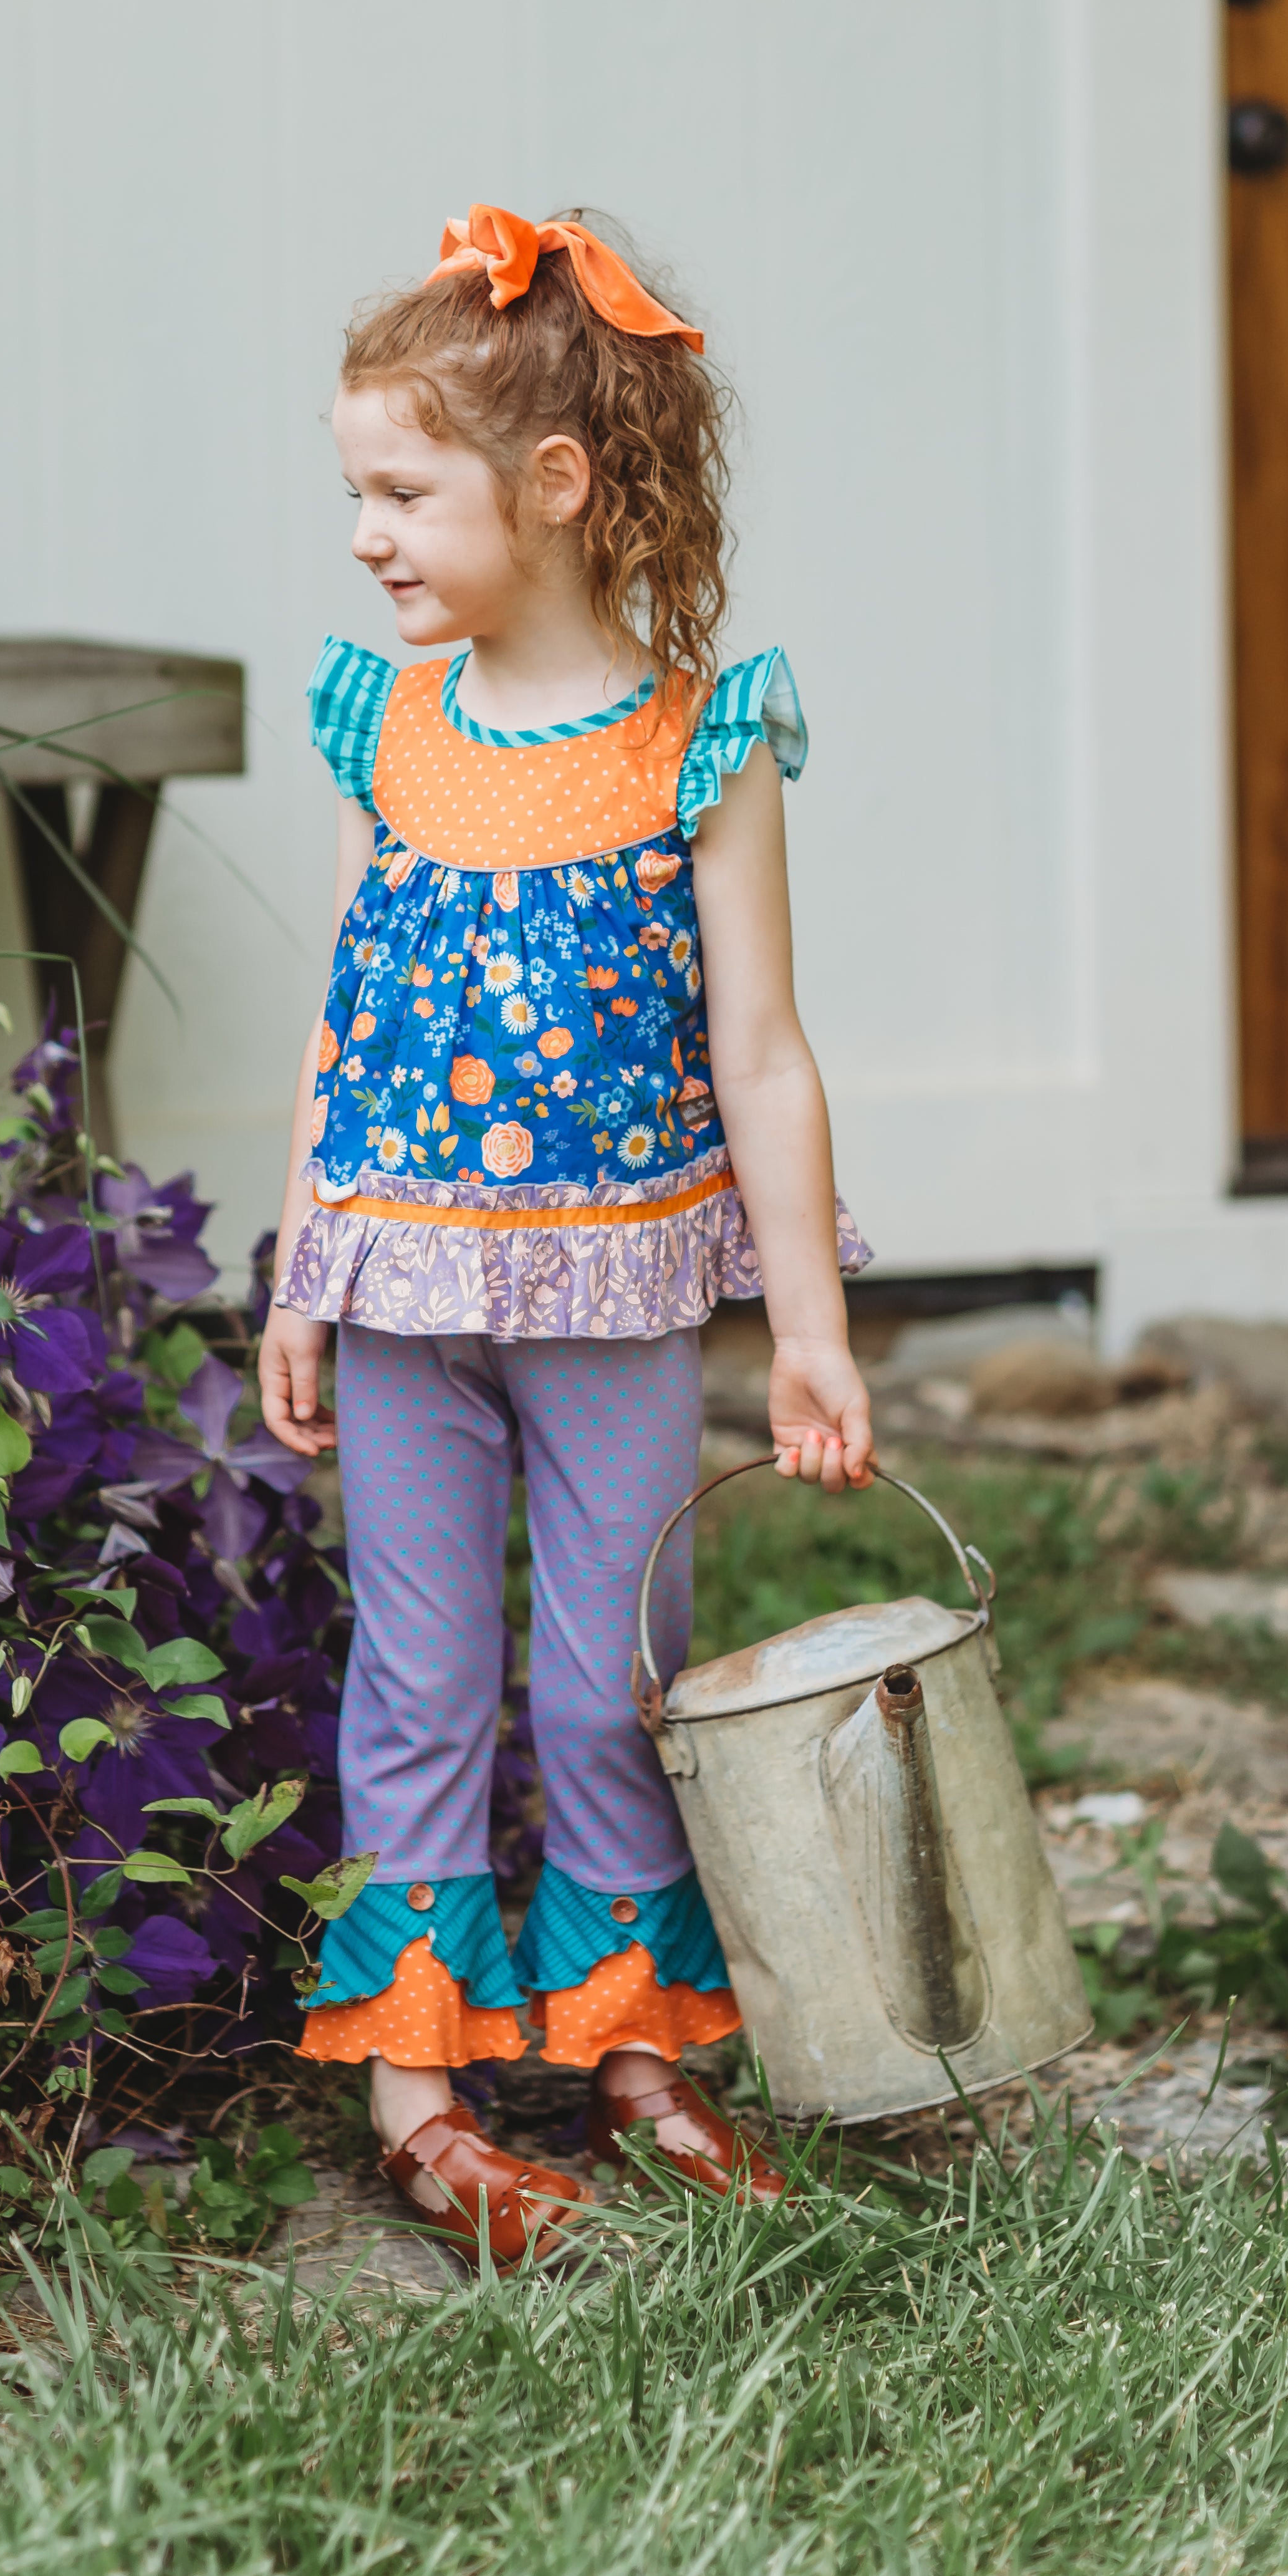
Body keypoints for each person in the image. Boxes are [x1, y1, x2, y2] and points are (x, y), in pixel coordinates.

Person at [258, 203, 876, 2264]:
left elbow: (765, 1053)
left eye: (401, 492)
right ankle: (425, 2090)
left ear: (555, 484)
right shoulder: (384, 723)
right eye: (356, 492)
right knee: (419, 1681)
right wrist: (298, 1264)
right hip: (401, 1288)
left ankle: (635, 2049)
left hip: (618, 1285)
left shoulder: (701, 738)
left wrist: (807, 1330)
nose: (366, 534)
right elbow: (344, 1025)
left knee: (620, 1673)